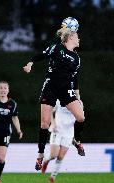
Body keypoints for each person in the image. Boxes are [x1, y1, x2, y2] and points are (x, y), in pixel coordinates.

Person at [23, 27, 86, 170]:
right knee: (45, 124)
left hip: (66, 90)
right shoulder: (57, 48)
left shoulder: (76, 58)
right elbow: (41, 55)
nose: (79, 39)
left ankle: (77, 140)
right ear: (70, 38)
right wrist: (30, 63)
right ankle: (40, 156)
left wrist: (78, 97)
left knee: (81, 117)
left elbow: (74, 79)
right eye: (77, 36)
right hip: (50, 87)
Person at [41, 99, 80, 183]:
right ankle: (46, 160)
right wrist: (53, 123)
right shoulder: (59, 99)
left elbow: (80, 118)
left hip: (68, 133)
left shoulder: (78, 102)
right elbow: (51, 110)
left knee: (61, 156)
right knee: (54, 155)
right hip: (57, 130)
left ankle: (52, 177)